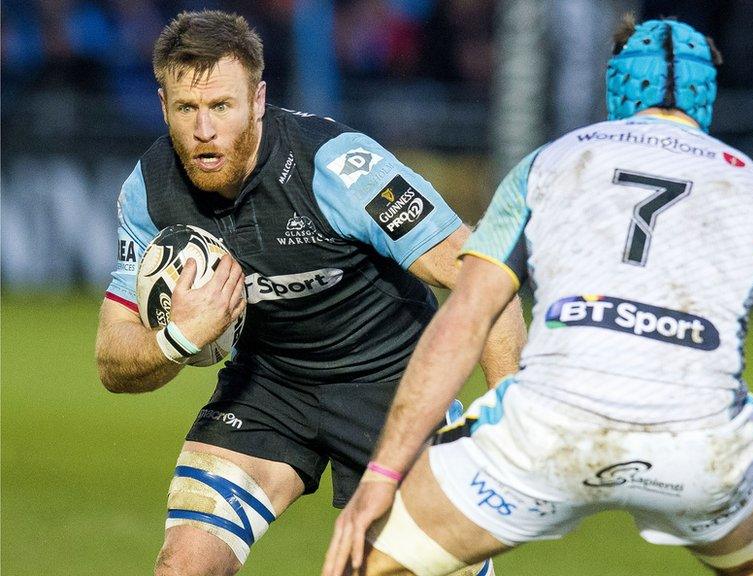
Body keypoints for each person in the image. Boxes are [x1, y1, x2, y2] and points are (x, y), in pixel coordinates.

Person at [322, 16, 753, 576]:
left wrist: (381, 475)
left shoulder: (551, 163)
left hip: (549, 436)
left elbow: (462, 324)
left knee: (367, 562)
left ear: (618, 88)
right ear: (706, 95)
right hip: (700, 453)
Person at [94, 10, 523, 576]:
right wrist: (174, 340)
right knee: (184, 566)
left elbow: (486, 277)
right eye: (186, 108)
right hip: (270, 388)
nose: (204, 131)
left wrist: (508, 419)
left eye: (221, 106)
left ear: (259, 98)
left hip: (391, 386)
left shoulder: (340, 167)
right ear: (162, 106)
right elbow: (111, 357)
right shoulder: (148, 192)